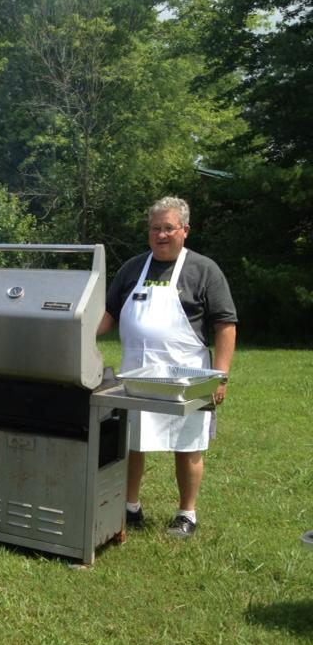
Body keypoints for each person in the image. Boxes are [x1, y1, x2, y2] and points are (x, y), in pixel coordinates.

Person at [98, 196, 237, 538]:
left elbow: (225, 325)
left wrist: (219, 377)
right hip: (135, 374)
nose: (161, 235)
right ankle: (129, 506)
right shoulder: (132, 268)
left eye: (168, 228)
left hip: (187, 378)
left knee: (187, 444)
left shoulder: (204, 270)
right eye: (155, 228)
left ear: (185, 231)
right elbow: (109, 314)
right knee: (132, 443)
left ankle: (186, 513)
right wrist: (79, 331)